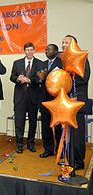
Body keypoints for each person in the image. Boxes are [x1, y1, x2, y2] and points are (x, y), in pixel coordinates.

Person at [62, 35, 90, 170]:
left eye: (66, 42)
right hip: (66, 102)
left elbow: (84, 78)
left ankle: (78, 161)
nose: (63, 45)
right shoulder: (63, 61)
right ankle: (69, 158)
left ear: (74, 44)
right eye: (62, 42)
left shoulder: (82, 58)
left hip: (78, 101)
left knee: (78, 133)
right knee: (69, 132)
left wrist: (67, 79)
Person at [10, 42, 42, 154]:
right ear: (24, 51)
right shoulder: (17, 63)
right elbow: (12, 77)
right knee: (19, 122)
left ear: (34, 51)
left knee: (33, 122)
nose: (30, 52)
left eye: (31, 50)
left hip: (33, 96)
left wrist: (30, 80)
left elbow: (40, 79)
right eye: (27, 50)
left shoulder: (39, 63)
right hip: (20, 96)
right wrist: (18, 78)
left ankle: (30, 143)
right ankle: (19, 145)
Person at [37, 44, 63, 158]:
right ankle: (48, 149)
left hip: (57, 100)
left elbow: (63, 78)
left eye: (49, 49)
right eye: (46, 49)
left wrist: (46, 77)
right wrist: (39, 78)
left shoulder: (61, 63)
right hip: (44, 99)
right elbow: (35, 78)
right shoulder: (42, 64)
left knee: (58, 126)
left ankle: (60, 149)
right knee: (46, 126)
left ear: (56, 51)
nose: (47, 51)